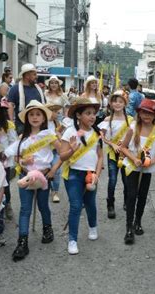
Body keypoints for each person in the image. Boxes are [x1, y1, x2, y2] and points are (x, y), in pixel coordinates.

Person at [5, 101, 62, 261]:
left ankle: (47, 229)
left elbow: (63, 154)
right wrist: (24, 161)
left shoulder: (49, 135)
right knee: (25, 209)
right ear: (27, 118)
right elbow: (16, 157)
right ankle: (22, 241)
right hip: (26, 176)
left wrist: (53, 170)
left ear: (44, 118)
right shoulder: (22, 137)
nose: (35, 117)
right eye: (31, 114)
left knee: (43, 206)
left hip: (44, 176)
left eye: (38, 114)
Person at [60, 98, 103, 255]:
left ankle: (93, 226)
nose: (92, 117)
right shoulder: (70, 132)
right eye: (88, 113)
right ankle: (72, 240)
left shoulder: (97, 133)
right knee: (76, 205)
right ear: (78, 115)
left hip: (91, 174)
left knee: (90, 203)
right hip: (73, 174)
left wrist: (97, 175)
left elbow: (100, 157)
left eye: (94, 113)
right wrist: (71, 150)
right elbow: (62, 156)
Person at [121, 99, 155, 245]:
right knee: (132, 195)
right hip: (133, 167)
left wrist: (151, 161)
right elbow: (124, 147)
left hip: (147, 169)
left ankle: (138, 221)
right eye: (143, 112)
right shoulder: (133, 128)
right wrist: (133, 158)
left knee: (142, 195)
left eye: (150, 113)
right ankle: (128, 227)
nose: (146, 116)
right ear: (139, 113)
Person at [98, 90, 132, 219]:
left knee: (126, 180)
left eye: (120, 101)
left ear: (125, 103)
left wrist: (124, 145)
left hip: (126, 154)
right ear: (111, 104)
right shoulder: (108, 119)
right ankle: (110, 204)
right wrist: (111, 144)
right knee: (112, 180)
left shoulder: (130, 120)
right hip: (113, 154)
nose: (117, 104)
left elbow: (134, 135)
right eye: (115, 101)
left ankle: (126, 201)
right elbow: (101, 136)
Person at [7, 63, 45, 133]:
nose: (36, 76)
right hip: (21, 125)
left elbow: (44, 105)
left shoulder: (38, 89)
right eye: (34, 74)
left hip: (38, 125)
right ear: (27, 75)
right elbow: (10, 105)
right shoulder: (15, 89)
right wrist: (11, 123)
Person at [45, 102, 64, 203]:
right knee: (45, 170)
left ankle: (55, 191)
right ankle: (48, 188)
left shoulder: (56, 123)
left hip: (55, 150)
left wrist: (60, 137)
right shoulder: (42, 123)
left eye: (57, 112)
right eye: (54, 111)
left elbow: (59, 133)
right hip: (45, 150)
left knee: (56, 170)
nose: (56, 114)